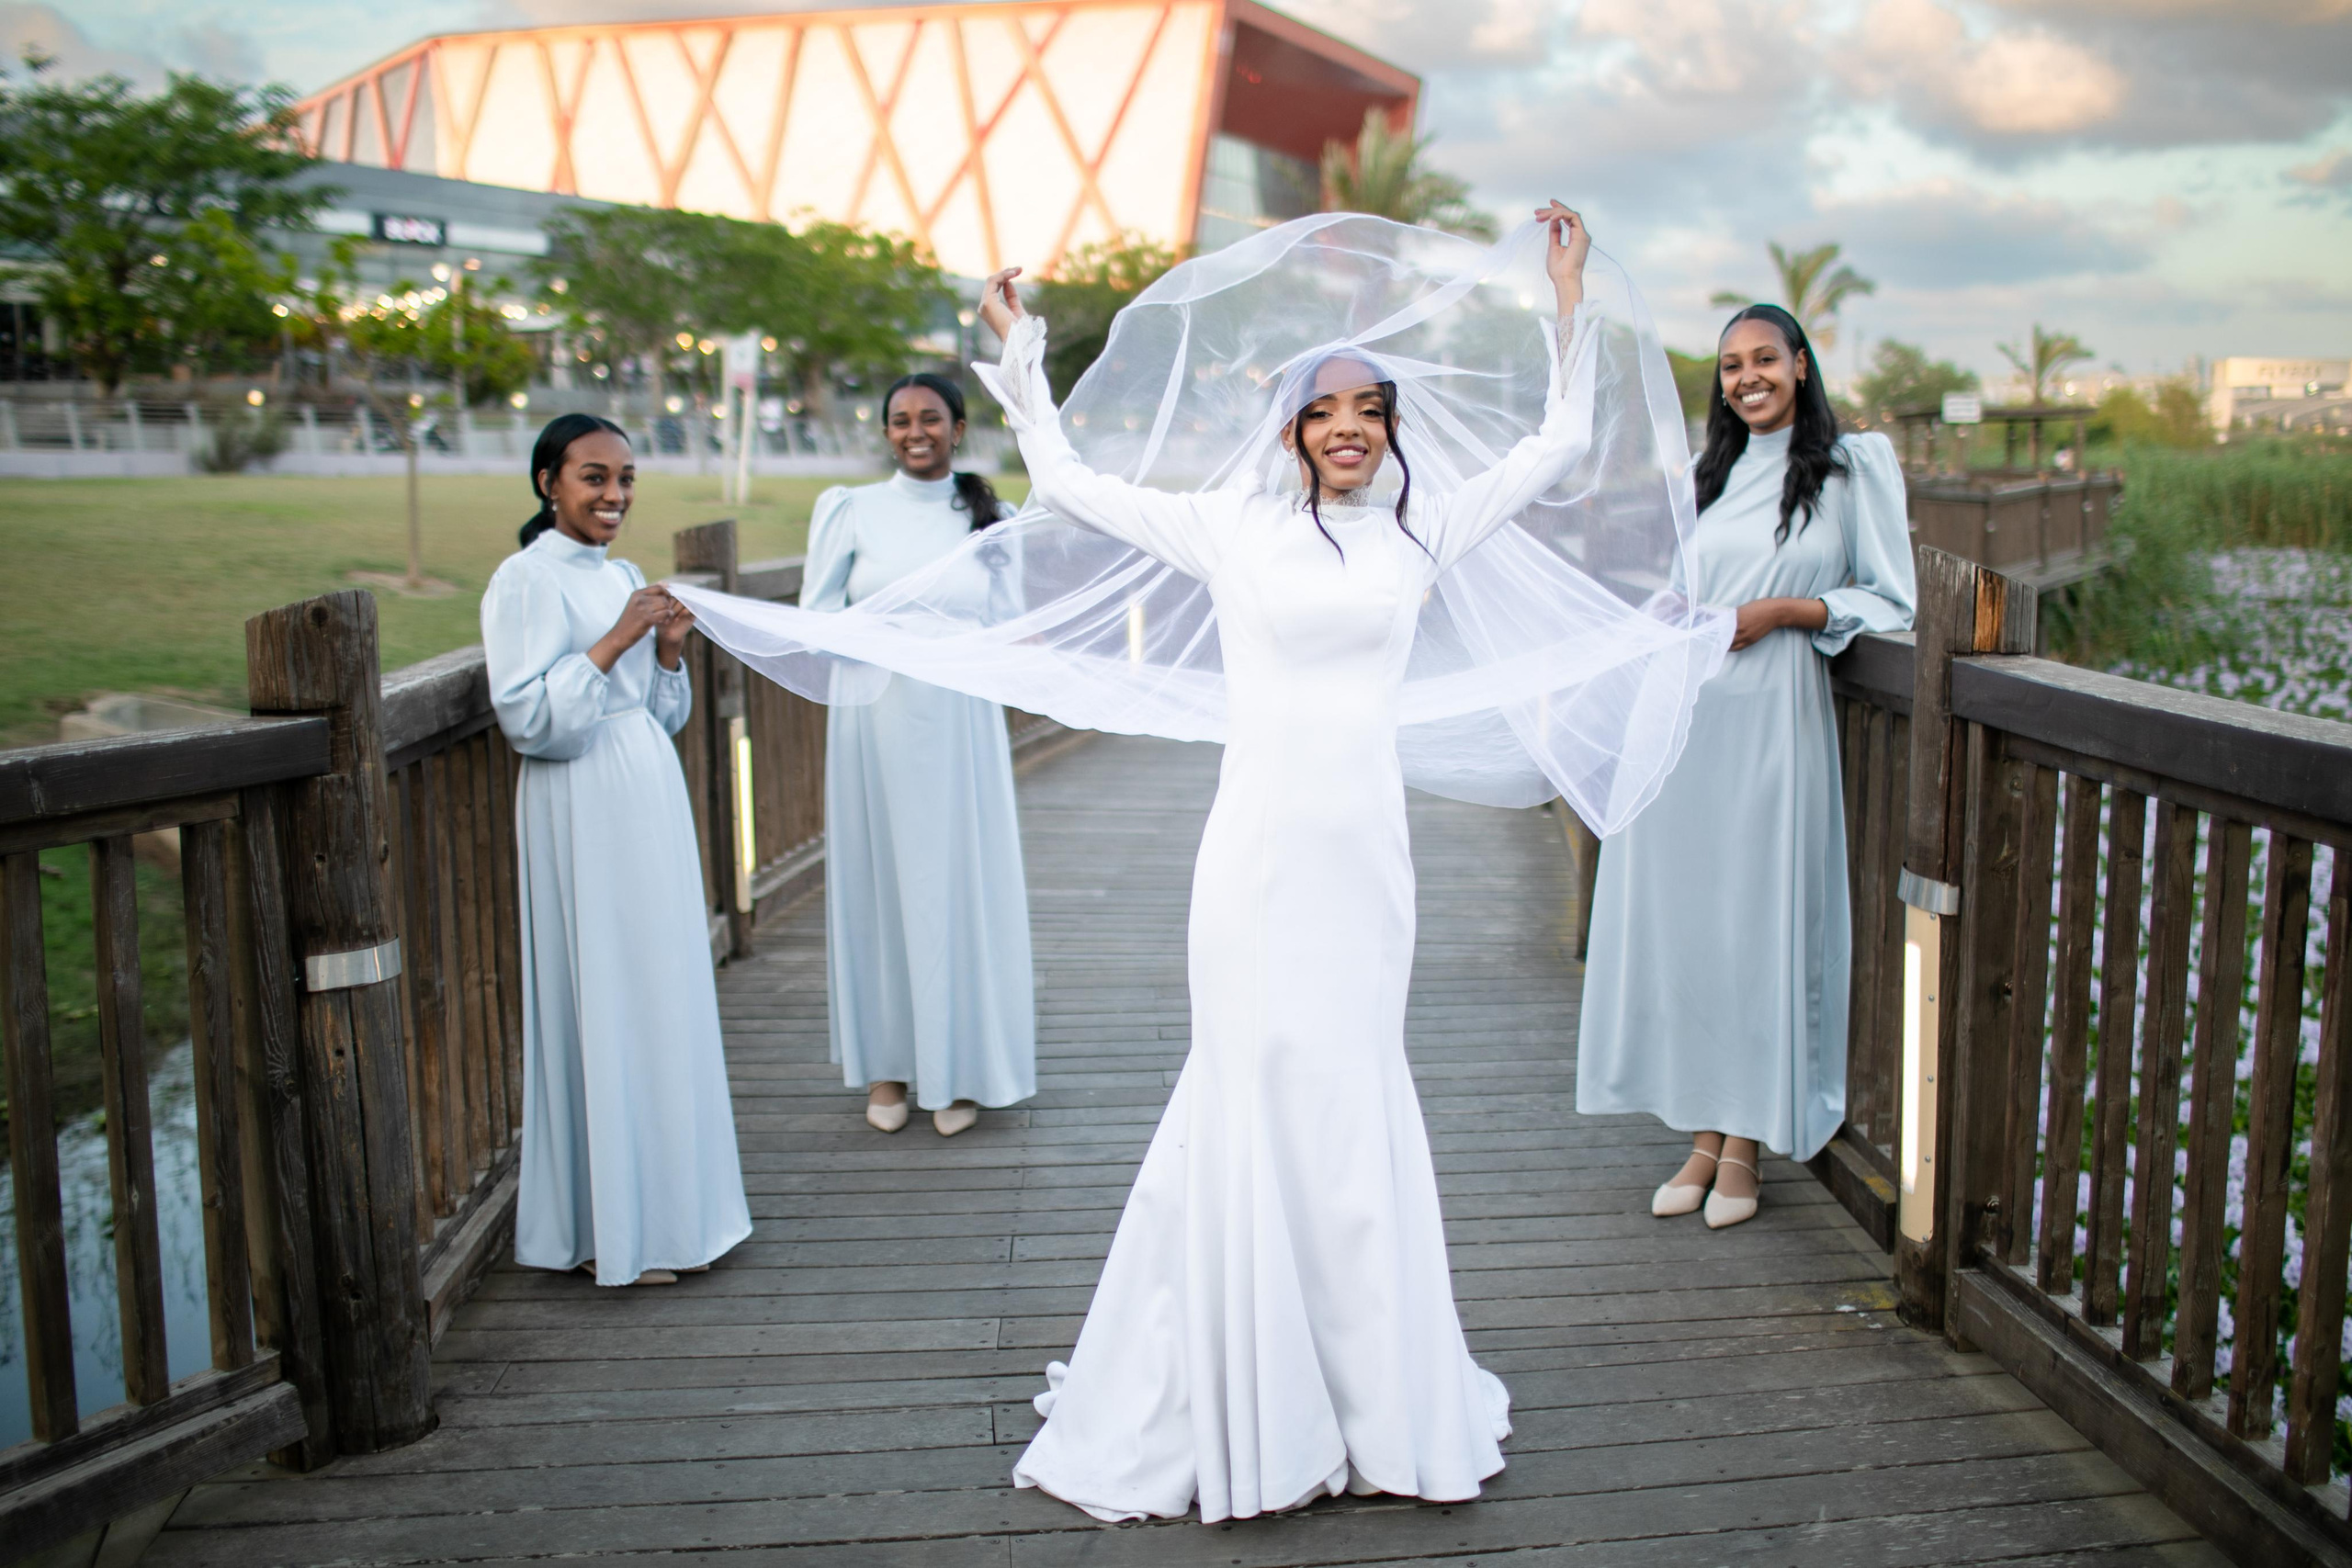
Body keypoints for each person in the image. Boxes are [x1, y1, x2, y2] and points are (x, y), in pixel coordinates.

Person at [673, 208, 1729, 1523]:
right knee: (1250, 1080)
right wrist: (1020, 356)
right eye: (1325, 409)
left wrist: (1564, 299)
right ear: (1289, 431)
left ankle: (1376, 1392)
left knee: (1351, 1094)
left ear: (1390, 427)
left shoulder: (1423, 532)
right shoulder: (1232, 531)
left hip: (1367, 865)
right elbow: (1067, 483)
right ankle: (1239, 1398)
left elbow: (1557, 444)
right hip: (1256, 855)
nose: (1349, 426)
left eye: (1369, 409)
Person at [1576, 303, 1917, 1229]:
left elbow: (1891, 601)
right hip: (1684, 717)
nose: (1746, 377)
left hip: (1770, 715)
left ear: (1801, 366)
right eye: (1730, 366)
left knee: (1751, 921)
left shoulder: (1854, 468)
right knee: (1688, 925)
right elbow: (1689, 589)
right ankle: (1701, 1134)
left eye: (1764, 358)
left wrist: (1779, 613)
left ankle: (1745, 1144)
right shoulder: (1711, 473)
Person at [483, 413, 752, 1287]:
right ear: (547, 483)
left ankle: (677, 1212)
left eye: (626, 478)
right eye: (594, 477)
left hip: (646, 793)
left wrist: (668, 650)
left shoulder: (626, 574)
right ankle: (612, 1229)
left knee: (662, 990)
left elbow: (658, 714)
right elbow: (531, 721)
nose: (614, 495)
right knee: (606, 994)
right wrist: (616, 637)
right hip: (581, 804)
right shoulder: (523, 582)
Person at [803, 374, 1035, 1137]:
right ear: (886, 432)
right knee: (882, 884)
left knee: (955, 888)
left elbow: (1009, 625)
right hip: (875, 721)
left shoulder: (988, 520)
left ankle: (956, 1066)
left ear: (958, 428)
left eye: (930, 418)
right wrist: (882, 629)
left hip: (960, 726)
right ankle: (889, 1066)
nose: (915, 431)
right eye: (900, 420)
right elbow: (816, 618)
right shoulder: (850, 510)